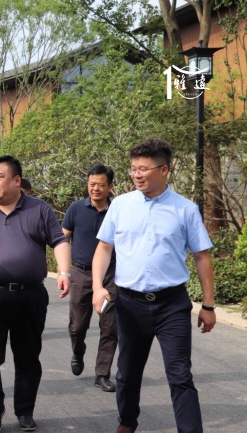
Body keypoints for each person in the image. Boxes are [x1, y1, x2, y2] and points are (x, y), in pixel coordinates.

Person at [92, 139, 216, 433]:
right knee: (127, 372)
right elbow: (104, 248)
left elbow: (202, 257)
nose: (137, 174)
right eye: (133, 168)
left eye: (143, 169)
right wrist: (97, 286)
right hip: (130, 303)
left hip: (171, 304)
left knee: (180, 375)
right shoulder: (121, 205)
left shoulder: (185, 209)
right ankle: (126, 423)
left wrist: (208, 305)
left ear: (164, 170)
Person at [0, 155, 71, 433]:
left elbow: (59, 241)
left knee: (28, 357)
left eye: (0, 177)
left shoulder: (39, 209)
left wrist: (64, 272)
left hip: (29, 297)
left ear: (17, 180)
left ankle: (25, 411)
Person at [62, 164, 118, 392]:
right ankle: (78, 350)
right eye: (92, 184)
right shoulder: (76, 208)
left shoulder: (117, 210)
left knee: (110, 326)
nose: (95, 189)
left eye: (101, 185)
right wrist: (64, 271)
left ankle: (102, 374)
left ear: (110, 186)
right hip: (81, 273)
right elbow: (62, 240)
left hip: (111, 275)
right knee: (77, 325)